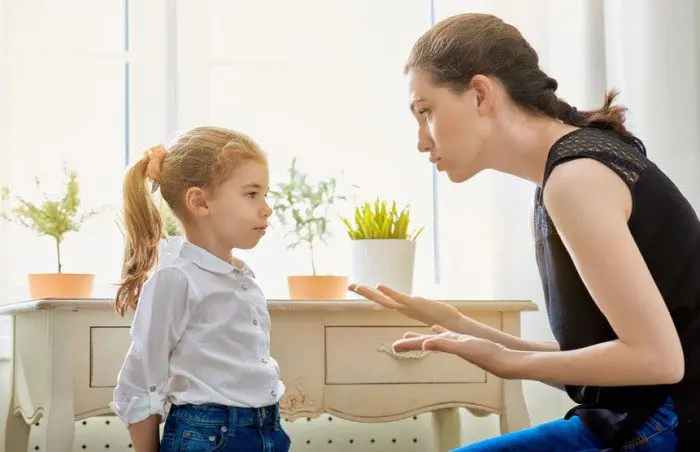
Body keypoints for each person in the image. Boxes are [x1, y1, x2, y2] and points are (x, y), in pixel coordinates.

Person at [350, 13, 700, 452]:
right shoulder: (563, 174)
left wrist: (512, 364)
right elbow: (614, 358)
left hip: (666, 421)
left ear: (480, 93)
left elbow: (657, 361)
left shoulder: (576, 179)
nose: (421, 140)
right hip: (646, 414)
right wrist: (460, 326)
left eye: (426, 112)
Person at [110, 126, 290, 452]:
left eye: (266, 195)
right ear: (200, 202)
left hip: (265, 431)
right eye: (252, 194)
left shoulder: (240, 278)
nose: (266, 208)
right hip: (211, 437)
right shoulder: (175, 279)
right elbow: (139, 381)